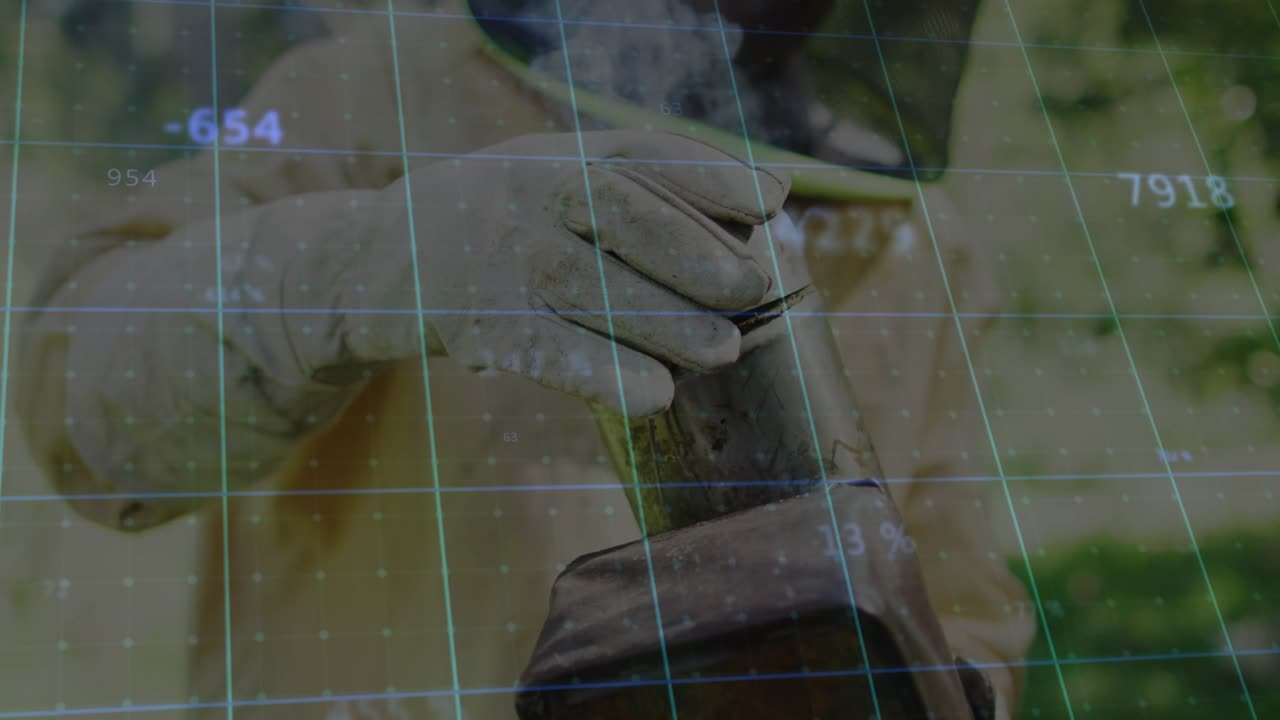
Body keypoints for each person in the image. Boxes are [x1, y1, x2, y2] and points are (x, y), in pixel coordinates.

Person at [15, 1, 1035, 717]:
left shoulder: (915, 235)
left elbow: (957, 593)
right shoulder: (378, 89)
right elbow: (79, 406)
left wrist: (951, 689)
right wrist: (365, 264)